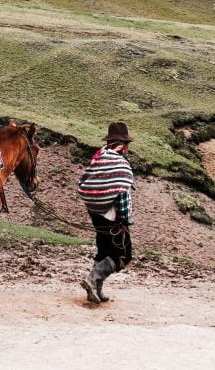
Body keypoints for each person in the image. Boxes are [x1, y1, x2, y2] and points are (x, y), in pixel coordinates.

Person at [77, 121, 135, 303]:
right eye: (128, 145)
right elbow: (122, 194)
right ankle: (92, 278)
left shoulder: (99, 158)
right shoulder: (120, 163)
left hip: (96, 213)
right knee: (124, 254)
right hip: (112, 217)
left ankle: (95, 290)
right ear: (123, 145)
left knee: (103, 250)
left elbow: (84, 182)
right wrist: (124, 220)